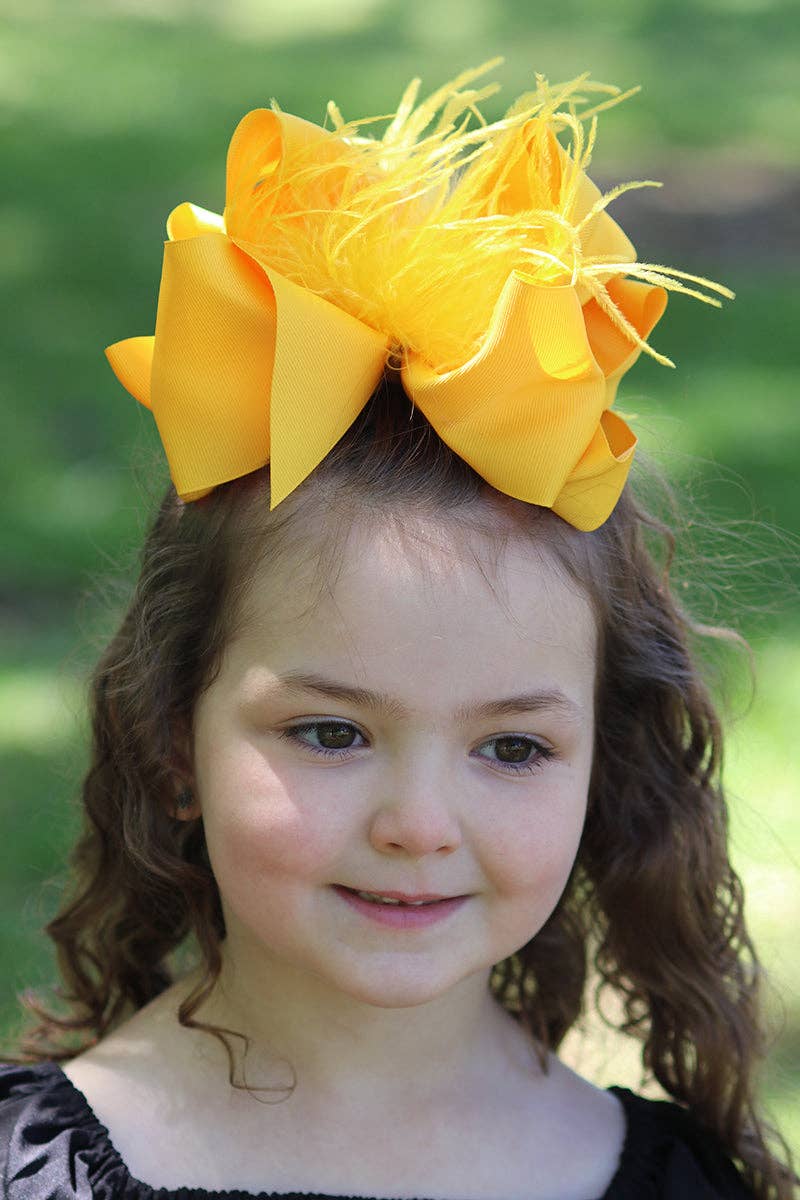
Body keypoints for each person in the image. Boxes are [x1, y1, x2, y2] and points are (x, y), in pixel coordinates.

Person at [0, 60, 794, 1200]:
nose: (418, 825)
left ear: (598, 766)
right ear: (176, 741)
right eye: (329, 732)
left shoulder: (679, 1182)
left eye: (511, 747)